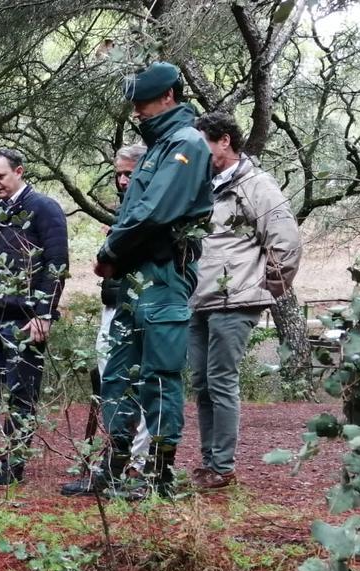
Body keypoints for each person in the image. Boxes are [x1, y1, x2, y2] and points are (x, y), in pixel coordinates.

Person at [93, 62, 214, 500]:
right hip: (133, 280)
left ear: (168, 97)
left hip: (163, 278)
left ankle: (158, 478)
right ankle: (113, 471)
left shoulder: (185, 144)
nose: (137, 111)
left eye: (142, 102)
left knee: (159, 376)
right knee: (118, 375)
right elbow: (133, 211)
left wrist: (110, 252)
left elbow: (156, 212)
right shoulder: (159, 147)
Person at [189, 111, 301, 490]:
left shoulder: (257, 184)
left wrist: (267, 286)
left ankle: (223, 466)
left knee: (221, 380)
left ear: (225, 141)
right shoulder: (201, 186)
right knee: (202, 382)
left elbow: (285, 239)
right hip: (199, 298)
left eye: (203, 143)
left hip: (236, 299)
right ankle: (209, 462)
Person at [0, 148, 69, 486]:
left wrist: (43, 314)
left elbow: (57, 264)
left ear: (19, 171)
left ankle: (12, 465)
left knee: (22, 395)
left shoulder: (44, 208)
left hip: (26, 320)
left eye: (0, 176)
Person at [61, 143, 152, 497]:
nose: (124, 180)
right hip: (112, 307)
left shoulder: (155, 210)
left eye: (131, 173)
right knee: (111, 383)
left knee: (143, 385)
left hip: (144, 309)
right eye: (119, 174)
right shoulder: (124, 213)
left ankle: (139, 466)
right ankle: (113, 463)